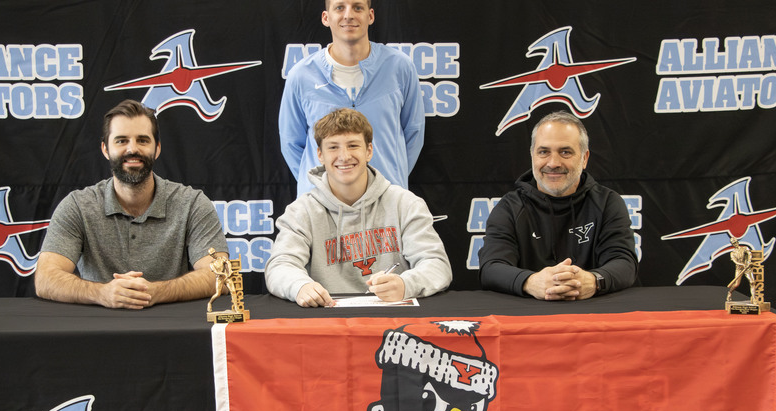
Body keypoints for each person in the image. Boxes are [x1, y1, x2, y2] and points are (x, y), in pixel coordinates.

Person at [36, 99, 227, 309]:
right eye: (121, 141)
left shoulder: (192, 204)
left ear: (157, 149)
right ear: (105, 149)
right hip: (95, 330)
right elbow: (45, 279)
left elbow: (221, 275)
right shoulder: (77, 206)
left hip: (172, 330)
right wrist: (102, 293)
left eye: (143, 140)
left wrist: (155, 292)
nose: (132, 149)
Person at [266, 108, 451, 307]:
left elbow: (437, 265)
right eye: (333, 147)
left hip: (394, 321)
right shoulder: (301, 211)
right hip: (327, 322)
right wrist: (300, 286)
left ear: (369, 151)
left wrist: (406, 284)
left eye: (353, 145)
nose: (344, 156)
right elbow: (279, 266)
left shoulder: (405, 204)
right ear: (320, 154)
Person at [279, 0, 425, 196]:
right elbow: (292, 144)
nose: (349, 15)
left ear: (370, 15)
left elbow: (413, 133)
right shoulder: (301, 76)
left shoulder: (399, 67)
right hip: (321, 205)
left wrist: (391, 178)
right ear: (326, 17)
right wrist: (322, 186)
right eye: (340, 7)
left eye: (358, 7)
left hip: (386, 201)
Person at [478, 111, 637, 301]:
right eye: (544, 152)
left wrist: (594, 280)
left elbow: (624, 262)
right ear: (532, 155)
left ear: (584, 158)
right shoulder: (509, 208)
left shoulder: (608, 202)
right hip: (526, 319)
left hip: (594, 318)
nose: (553, 163)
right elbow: (491, 267)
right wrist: (530, 281)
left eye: (565, 152)